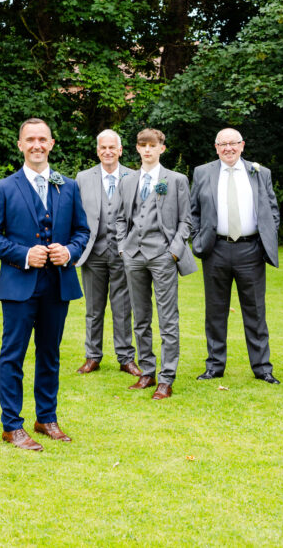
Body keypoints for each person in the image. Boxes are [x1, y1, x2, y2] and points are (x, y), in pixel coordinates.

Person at [0, 118, 89, 451]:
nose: (37, 145)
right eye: (30, 140)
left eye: (42, 139)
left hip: (58, 284)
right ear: (20, 145)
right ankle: (11, 426)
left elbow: (82, 232)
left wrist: (68, 251)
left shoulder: (67, 186)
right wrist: (25, 255)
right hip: (19, 284)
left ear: (52, 144)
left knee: (50, 354)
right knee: (12, 355)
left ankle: (46, 418)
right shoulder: (5, 187)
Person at [190, 128, 280, 383]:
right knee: (215, 311)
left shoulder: (259, 172)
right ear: (216, 147)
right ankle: (214, 366)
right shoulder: (203, 172)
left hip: (250, 249)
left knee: (255, 312)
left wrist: (265, 240)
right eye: (223, 144)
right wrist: (198, 239)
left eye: (233, 143)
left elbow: (272, 210)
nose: (228, 148)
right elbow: (194, 211)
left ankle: (262, 368)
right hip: (215, 248)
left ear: (242, 145)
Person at [115, 129, 197, 399]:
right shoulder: (127, 181)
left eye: (153, 145)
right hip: (134, 256)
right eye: (143, 145)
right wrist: (122, 246)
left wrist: (173, 251)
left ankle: (166, 378)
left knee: (168, 319)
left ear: (162, 148)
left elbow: (187, 220)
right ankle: (148, 372)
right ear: (137, 149)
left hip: (162, 256)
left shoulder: (176, 180)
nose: (147, 150)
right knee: (140, 318)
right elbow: (118, 217)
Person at [74, 130, 140, 377]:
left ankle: (125, 358)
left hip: (124, 254)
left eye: (112, 147)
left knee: (123, 307)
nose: (108, 151)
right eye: (103, 147)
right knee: (93, 308)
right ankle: (92, 357)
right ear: (97, 150)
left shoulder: (134, 177)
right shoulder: (83, 178)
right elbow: (76, 215)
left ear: (121, 150)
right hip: (93, 252)